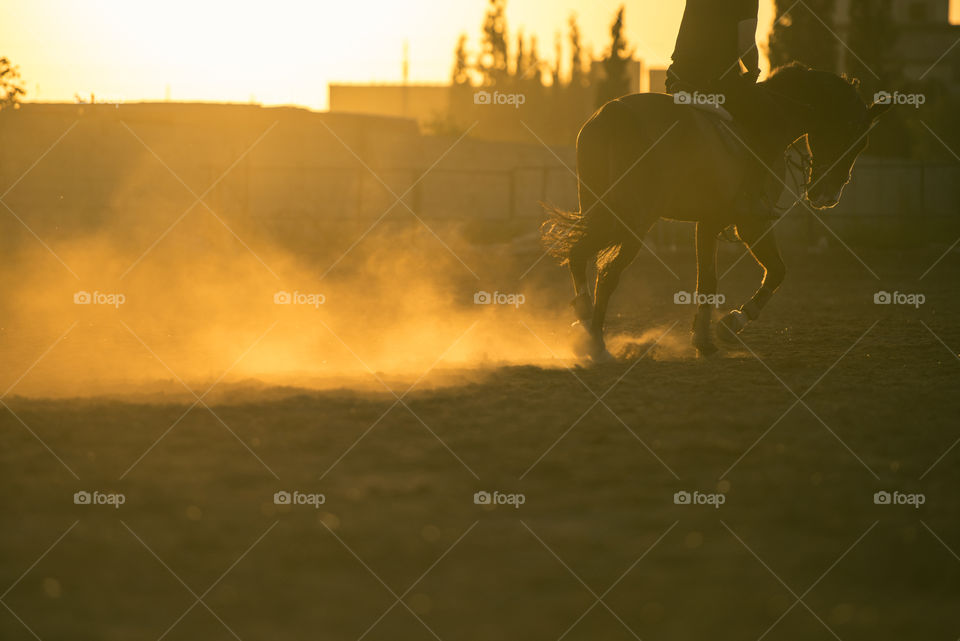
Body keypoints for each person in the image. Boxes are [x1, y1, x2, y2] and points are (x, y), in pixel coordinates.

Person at [666, 0, 780, 226]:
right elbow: (745, 45)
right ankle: (751, 197)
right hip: (715, 82)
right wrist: (754, 72)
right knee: (770, 121)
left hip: (677, 79)